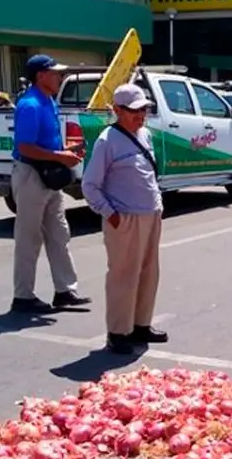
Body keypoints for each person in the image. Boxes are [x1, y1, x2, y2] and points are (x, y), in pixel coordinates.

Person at [82, 84, 168, 354]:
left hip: (150, 215)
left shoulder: (145, 135)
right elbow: (90, 185)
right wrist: (111, 214)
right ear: (117, 111)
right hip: (124, 218)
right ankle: (119, 332)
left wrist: (158, 204)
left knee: (148, 272)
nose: (140, 115)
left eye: (143, 110)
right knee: (123, 275)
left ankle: (141, 324)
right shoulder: (108, 140)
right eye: (134, 111)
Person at [10, 54, 91, 314]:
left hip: (48, 176)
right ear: (40, 76)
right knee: (29, 237)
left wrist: (68, 150)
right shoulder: (30, 104)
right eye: (55, 73)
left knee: (59, 233)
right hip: (32, 175)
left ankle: (65, 291)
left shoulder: (48, 102)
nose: (60, 77)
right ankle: (23, 296)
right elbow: (25, 147)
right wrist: (60, 156)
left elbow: (46, 144)